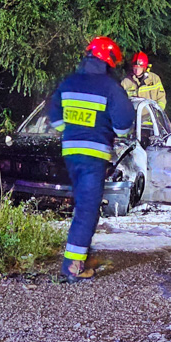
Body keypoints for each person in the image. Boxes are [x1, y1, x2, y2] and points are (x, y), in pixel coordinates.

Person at [49, 37, 135, 282]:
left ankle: (81, 256)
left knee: (82, 207)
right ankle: (72, 268)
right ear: (108, 62)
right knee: (86, 211)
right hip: (94, 157)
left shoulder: (69, 82)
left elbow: (56, 119)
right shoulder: (110, 88)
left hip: (70, 154)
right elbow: (123, 126)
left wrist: (74, 129)